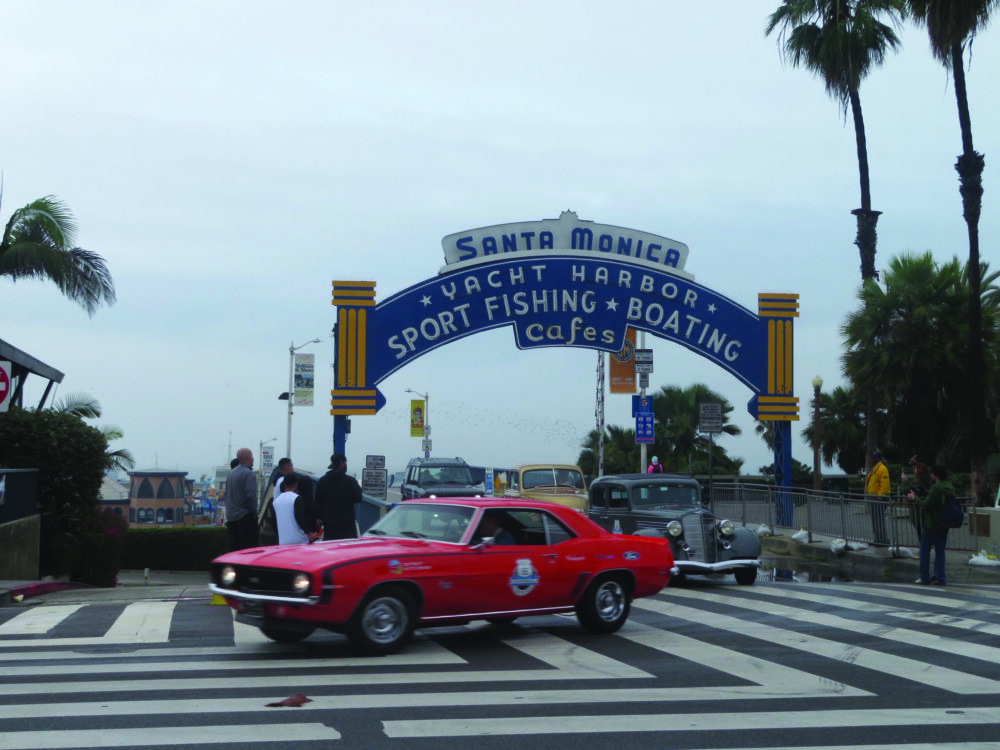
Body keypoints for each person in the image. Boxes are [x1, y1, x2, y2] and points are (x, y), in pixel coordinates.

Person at [914, 464, 955, 586]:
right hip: (945, 523)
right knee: (940, 551)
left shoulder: (935, 489)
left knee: (925, 550)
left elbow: (926, 505)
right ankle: (940, 577)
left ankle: (925, 577)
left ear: (935, 475)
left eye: (932, 474)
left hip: (932, 523)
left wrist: (914, 498)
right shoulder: (949, 488)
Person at [316, 453, 363, 540]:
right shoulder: (350, 481)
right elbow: (358, 497)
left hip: (329, 526)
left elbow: (318, 501)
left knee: (331, 551)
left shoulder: (322, 481)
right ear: (342, 463)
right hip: (347, 526)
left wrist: (319, 517)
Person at [273, 473, 323, 544]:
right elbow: (299, 517)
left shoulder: (276, 501)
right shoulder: (296, 498)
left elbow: (274, 522)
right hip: (298, 540)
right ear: (296, 484)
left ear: (284, 484)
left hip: (283, 541)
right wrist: (308, 533)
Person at [225, 447, 259, 550]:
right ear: (248, 458)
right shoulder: (249, 474)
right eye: (252, 456)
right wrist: (254, 514)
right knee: (248, 549)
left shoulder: (231, 473)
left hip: (231, 517)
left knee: (234, 549)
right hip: (245, 517)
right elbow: (251, 496)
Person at [866, 449, 891, 545]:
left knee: (879, 519)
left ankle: (882, 539)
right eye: (872, 457)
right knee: (875, 520)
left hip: (879, 499)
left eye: (874, 457)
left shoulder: (882, 469)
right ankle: (877, 538)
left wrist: (879, 498)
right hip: (874, 498)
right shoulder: (875, 469)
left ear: (878, 458)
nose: (872, 459)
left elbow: (884, 486)